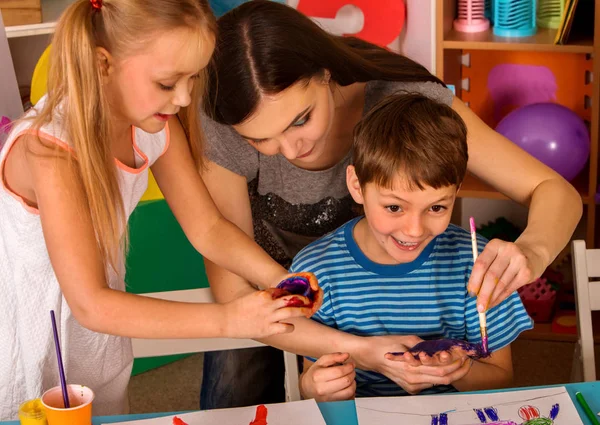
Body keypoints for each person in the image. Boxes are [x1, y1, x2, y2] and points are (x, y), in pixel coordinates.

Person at [199, 0, 580, 408]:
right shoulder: (226, 116)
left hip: (385, 278)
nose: (289, 150)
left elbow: (553, 189)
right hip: (269, 286)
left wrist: (533, 249)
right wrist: (355, 350)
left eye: (300, 119)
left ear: (324, 72)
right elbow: (234, 294)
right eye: (260, 140)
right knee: (235, 398)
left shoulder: (406, 104)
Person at [0, 0, 312, 420]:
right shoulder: (50, 150)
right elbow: (91, 303)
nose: (184, 98)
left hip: (96, 330)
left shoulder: (152, 124)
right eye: (168, 83)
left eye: (193, 78)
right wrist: (231, 321)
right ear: (102, 65)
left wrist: (280, 279)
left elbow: (208, 228)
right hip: (28, 335)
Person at [296, 93, 532, 400]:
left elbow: (501, 379)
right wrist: (318, 387)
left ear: (455, 192)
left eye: (436, 208)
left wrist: (462, 371)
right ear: (357, 186)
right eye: (394, 208)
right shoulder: (316, 271)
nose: (414, 230)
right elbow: (309, 382)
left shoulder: (479, 265)